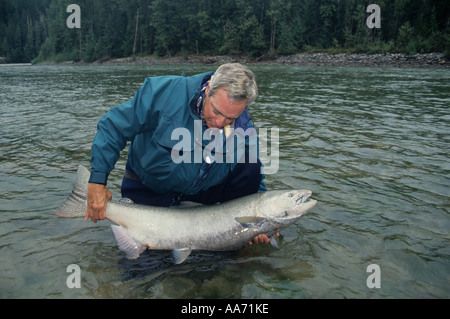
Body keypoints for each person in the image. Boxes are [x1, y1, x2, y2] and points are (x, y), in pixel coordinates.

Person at [85, 63, 276, 245]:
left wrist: (259, 222)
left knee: (250, 164)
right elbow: (113, 127)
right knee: (143, 270)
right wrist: (97, 181)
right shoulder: (163, 92)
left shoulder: (244, 126)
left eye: (230, 118)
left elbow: (254, 179)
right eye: (216, 111)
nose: (219, 122)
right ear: (208, 88)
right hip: (151, 190)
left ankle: (235, 245)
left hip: (200, 196)